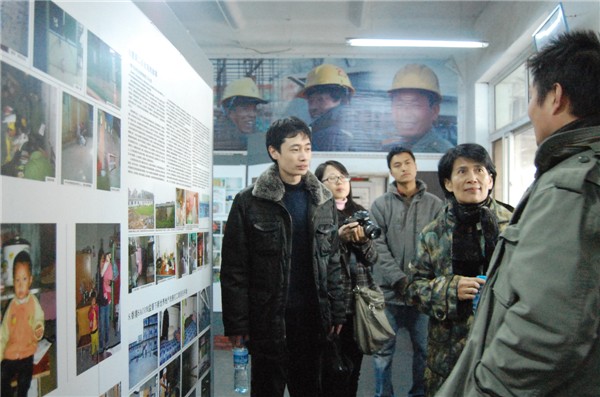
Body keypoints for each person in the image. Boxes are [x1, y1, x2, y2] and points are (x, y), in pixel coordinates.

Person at [438, 30, 600, 397]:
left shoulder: (570, 189)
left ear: (555, 97)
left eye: (531, 98)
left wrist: (486, 390)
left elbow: (548, 330)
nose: (529, 111)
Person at [221, 116, 344, 397]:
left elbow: (333, 261)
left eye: (308, 148)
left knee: (310, 389)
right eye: (294, 148)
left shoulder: (322, 200)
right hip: (268, 320)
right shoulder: (249, 201)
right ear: (273, 151)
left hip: (313, 319)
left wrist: (337, 310)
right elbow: (234, 269)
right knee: (267, 390)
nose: (303, 156)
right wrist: (237, 324)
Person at [404, 143, 513, 396]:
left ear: (491, 179)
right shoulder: (433, 232)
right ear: (449, 183)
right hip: (448, 354)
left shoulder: (514, 226)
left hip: (503, 349)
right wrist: (450, 289)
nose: (472, 178)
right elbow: (412, 289)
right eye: (462, 171)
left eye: (479, 170)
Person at [370, 146, 443, 397]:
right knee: (383, 352)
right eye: (397, 165)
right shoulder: (379, 206)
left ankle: (419, 394)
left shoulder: (435, 205)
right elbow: (376, 246)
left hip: (422, 294)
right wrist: (398, 279)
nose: (404, 168)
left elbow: (438, 246)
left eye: (407, 162)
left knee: (424, 350)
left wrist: (420, 282)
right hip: (388, 294)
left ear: (415, 165)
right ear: (391, 171)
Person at [314, 160, 379, 397]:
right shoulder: (316, 213)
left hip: (356, 303)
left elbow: (372, 259)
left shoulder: (360, 213)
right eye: (333, 178)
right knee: (327, 368)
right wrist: (338, 238)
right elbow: (316, 257)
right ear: (320, 184)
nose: (340, 182)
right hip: (329, 303)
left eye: (343, 176)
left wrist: (362, 242)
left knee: (353, 367)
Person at [0, 251, 45, 397]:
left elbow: (39, 318)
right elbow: (4, 333)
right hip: (11, 353)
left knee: (25, 380)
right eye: (17, 280)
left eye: (24, 279)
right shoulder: (11, 306)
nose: (20, 285)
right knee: (2, 376)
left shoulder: (33, 302)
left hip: (27, 352)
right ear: (13, 281)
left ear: (30, 280)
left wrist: (39, 328)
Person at [382, 64, 454, 153]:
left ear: (435, 111)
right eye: (400, 105)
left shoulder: (444, 153)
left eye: (415, 105)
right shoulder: (390, 147)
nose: (406, 113)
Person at [297, 64, 355, 151]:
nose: (313, 107)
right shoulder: (349, 126)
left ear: (341, 99)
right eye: (311, 101)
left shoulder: (331, 135)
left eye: (320, 100)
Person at [214, 77, 267, 150]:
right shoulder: (220, 139)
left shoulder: (255, 133)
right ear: (229, 111)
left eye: (254, 109)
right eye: (245, 109)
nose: (252, 114)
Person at [99, 252, 113, 353]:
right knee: (102, 322)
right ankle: (101, 344)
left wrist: (109, 282)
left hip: (107, 296)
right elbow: (101, 275)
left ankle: (106, 343)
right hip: (102, 298)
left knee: (107, 322)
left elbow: (111, 280)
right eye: (108, 256)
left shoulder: (109, 266)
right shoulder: (102, 268)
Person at [88, 290, 100, 362]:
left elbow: (98, 311)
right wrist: (92, 311)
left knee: (97, 342)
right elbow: (89, 317)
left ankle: (98, 353)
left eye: (95, 301)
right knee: (93, 343)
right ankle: (93, 354)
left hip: (96, 328)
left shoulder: (95, 308)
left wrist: (95, 308)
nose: (94, 302)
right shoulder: (90, 310)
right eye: (93, 301)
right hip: (92, 330)